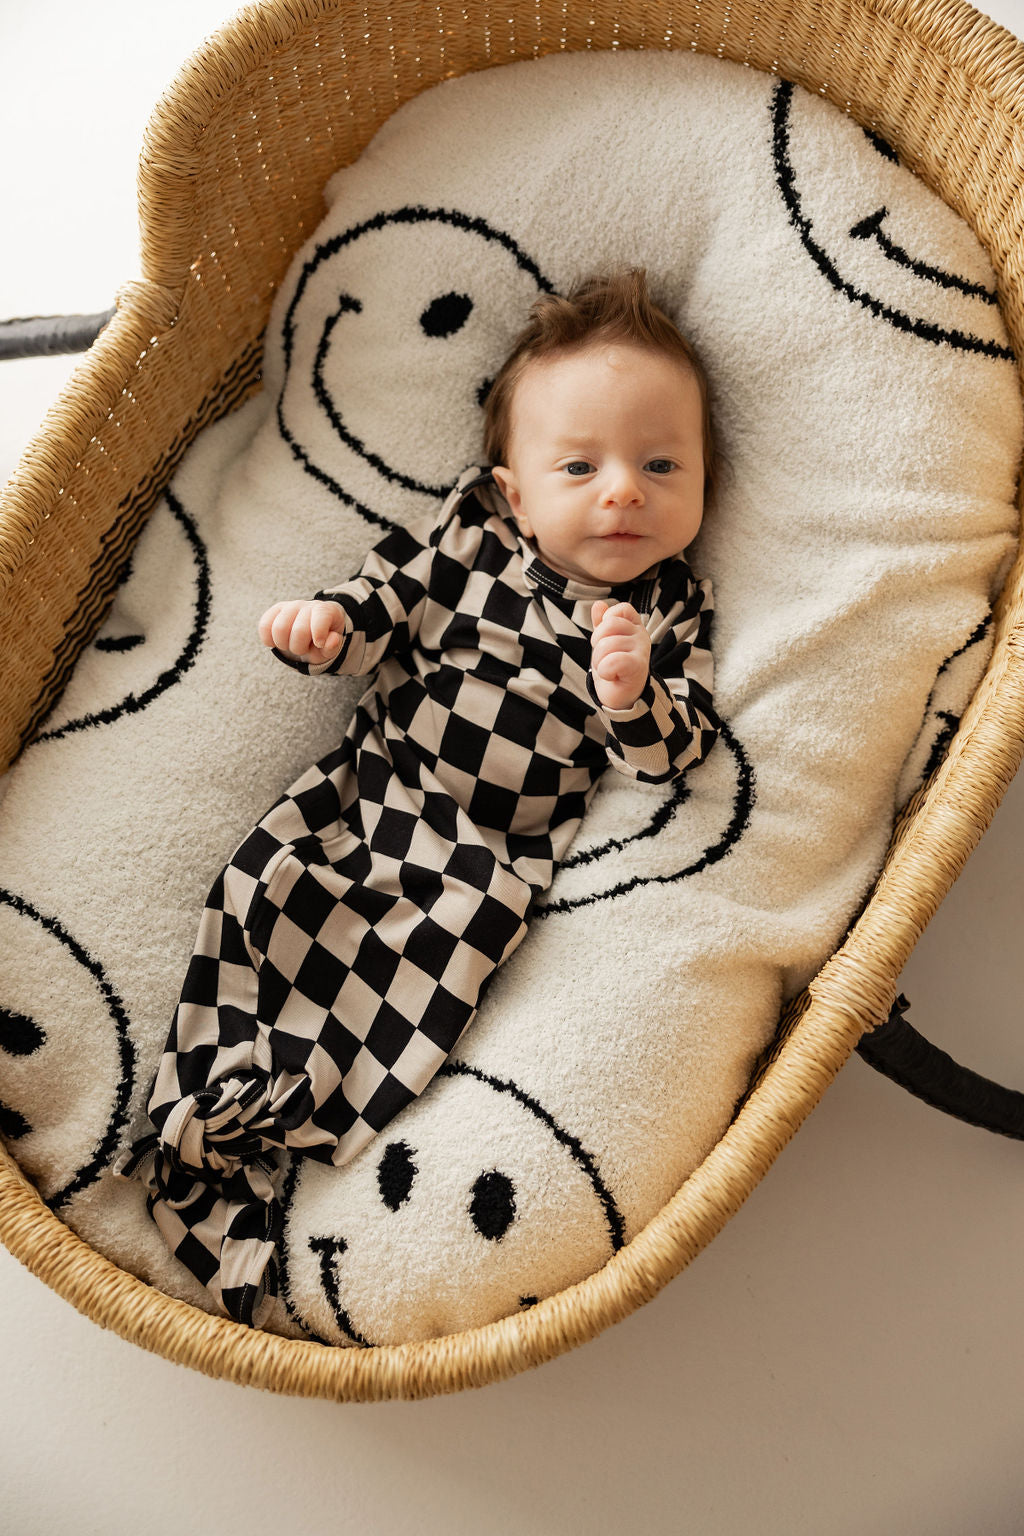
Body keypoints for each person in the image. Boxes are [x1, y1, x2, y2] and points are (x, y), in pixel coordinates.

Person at [117, 266, 723, 1327]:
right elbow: (382, 599)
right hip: (374, 785)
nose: (623, 489)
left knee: (414, 980)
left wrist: (628, 695)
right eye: (581, 464)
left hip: (490, 855)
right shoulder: (470, 538)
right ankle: (209, 1095)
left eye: (661, 463)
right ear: (513, 489)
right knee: (265, 895)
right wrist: (329, 629)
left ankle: (290, 1125)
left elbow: (673, 756)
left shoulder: (671, 607)